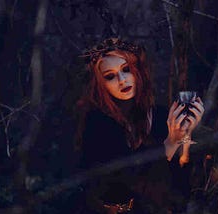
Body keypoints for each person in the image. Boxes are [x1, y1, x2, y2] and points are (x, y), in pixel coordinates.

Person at [76, 38, 204, 213]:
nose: (122, 80)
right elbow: (122, 184)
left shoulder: (160, 116)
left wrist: (185, 138)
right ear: (100, 85)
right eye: (110, 76)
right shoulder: (97, 123)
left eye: (126, 70)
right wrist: (169, 145)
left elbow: (181, 187)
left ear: (138, 72)